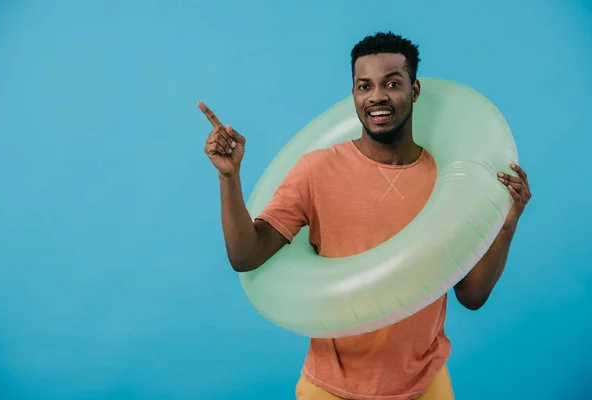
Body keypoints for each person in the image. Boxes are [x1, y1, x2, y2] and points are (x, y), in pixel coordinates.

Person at [199, 32, 531, 400]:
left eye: (392, 83)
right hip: (331, 388)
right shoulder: (316, 170)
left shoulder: (446, 180)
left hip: (424, 383)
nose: (377, 97)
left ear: (414, 90)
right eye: (364, 86)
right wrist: (229, 178)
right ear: (354, 95)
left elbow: (471, 295)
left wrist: (506, 223)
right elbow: (246, 256)